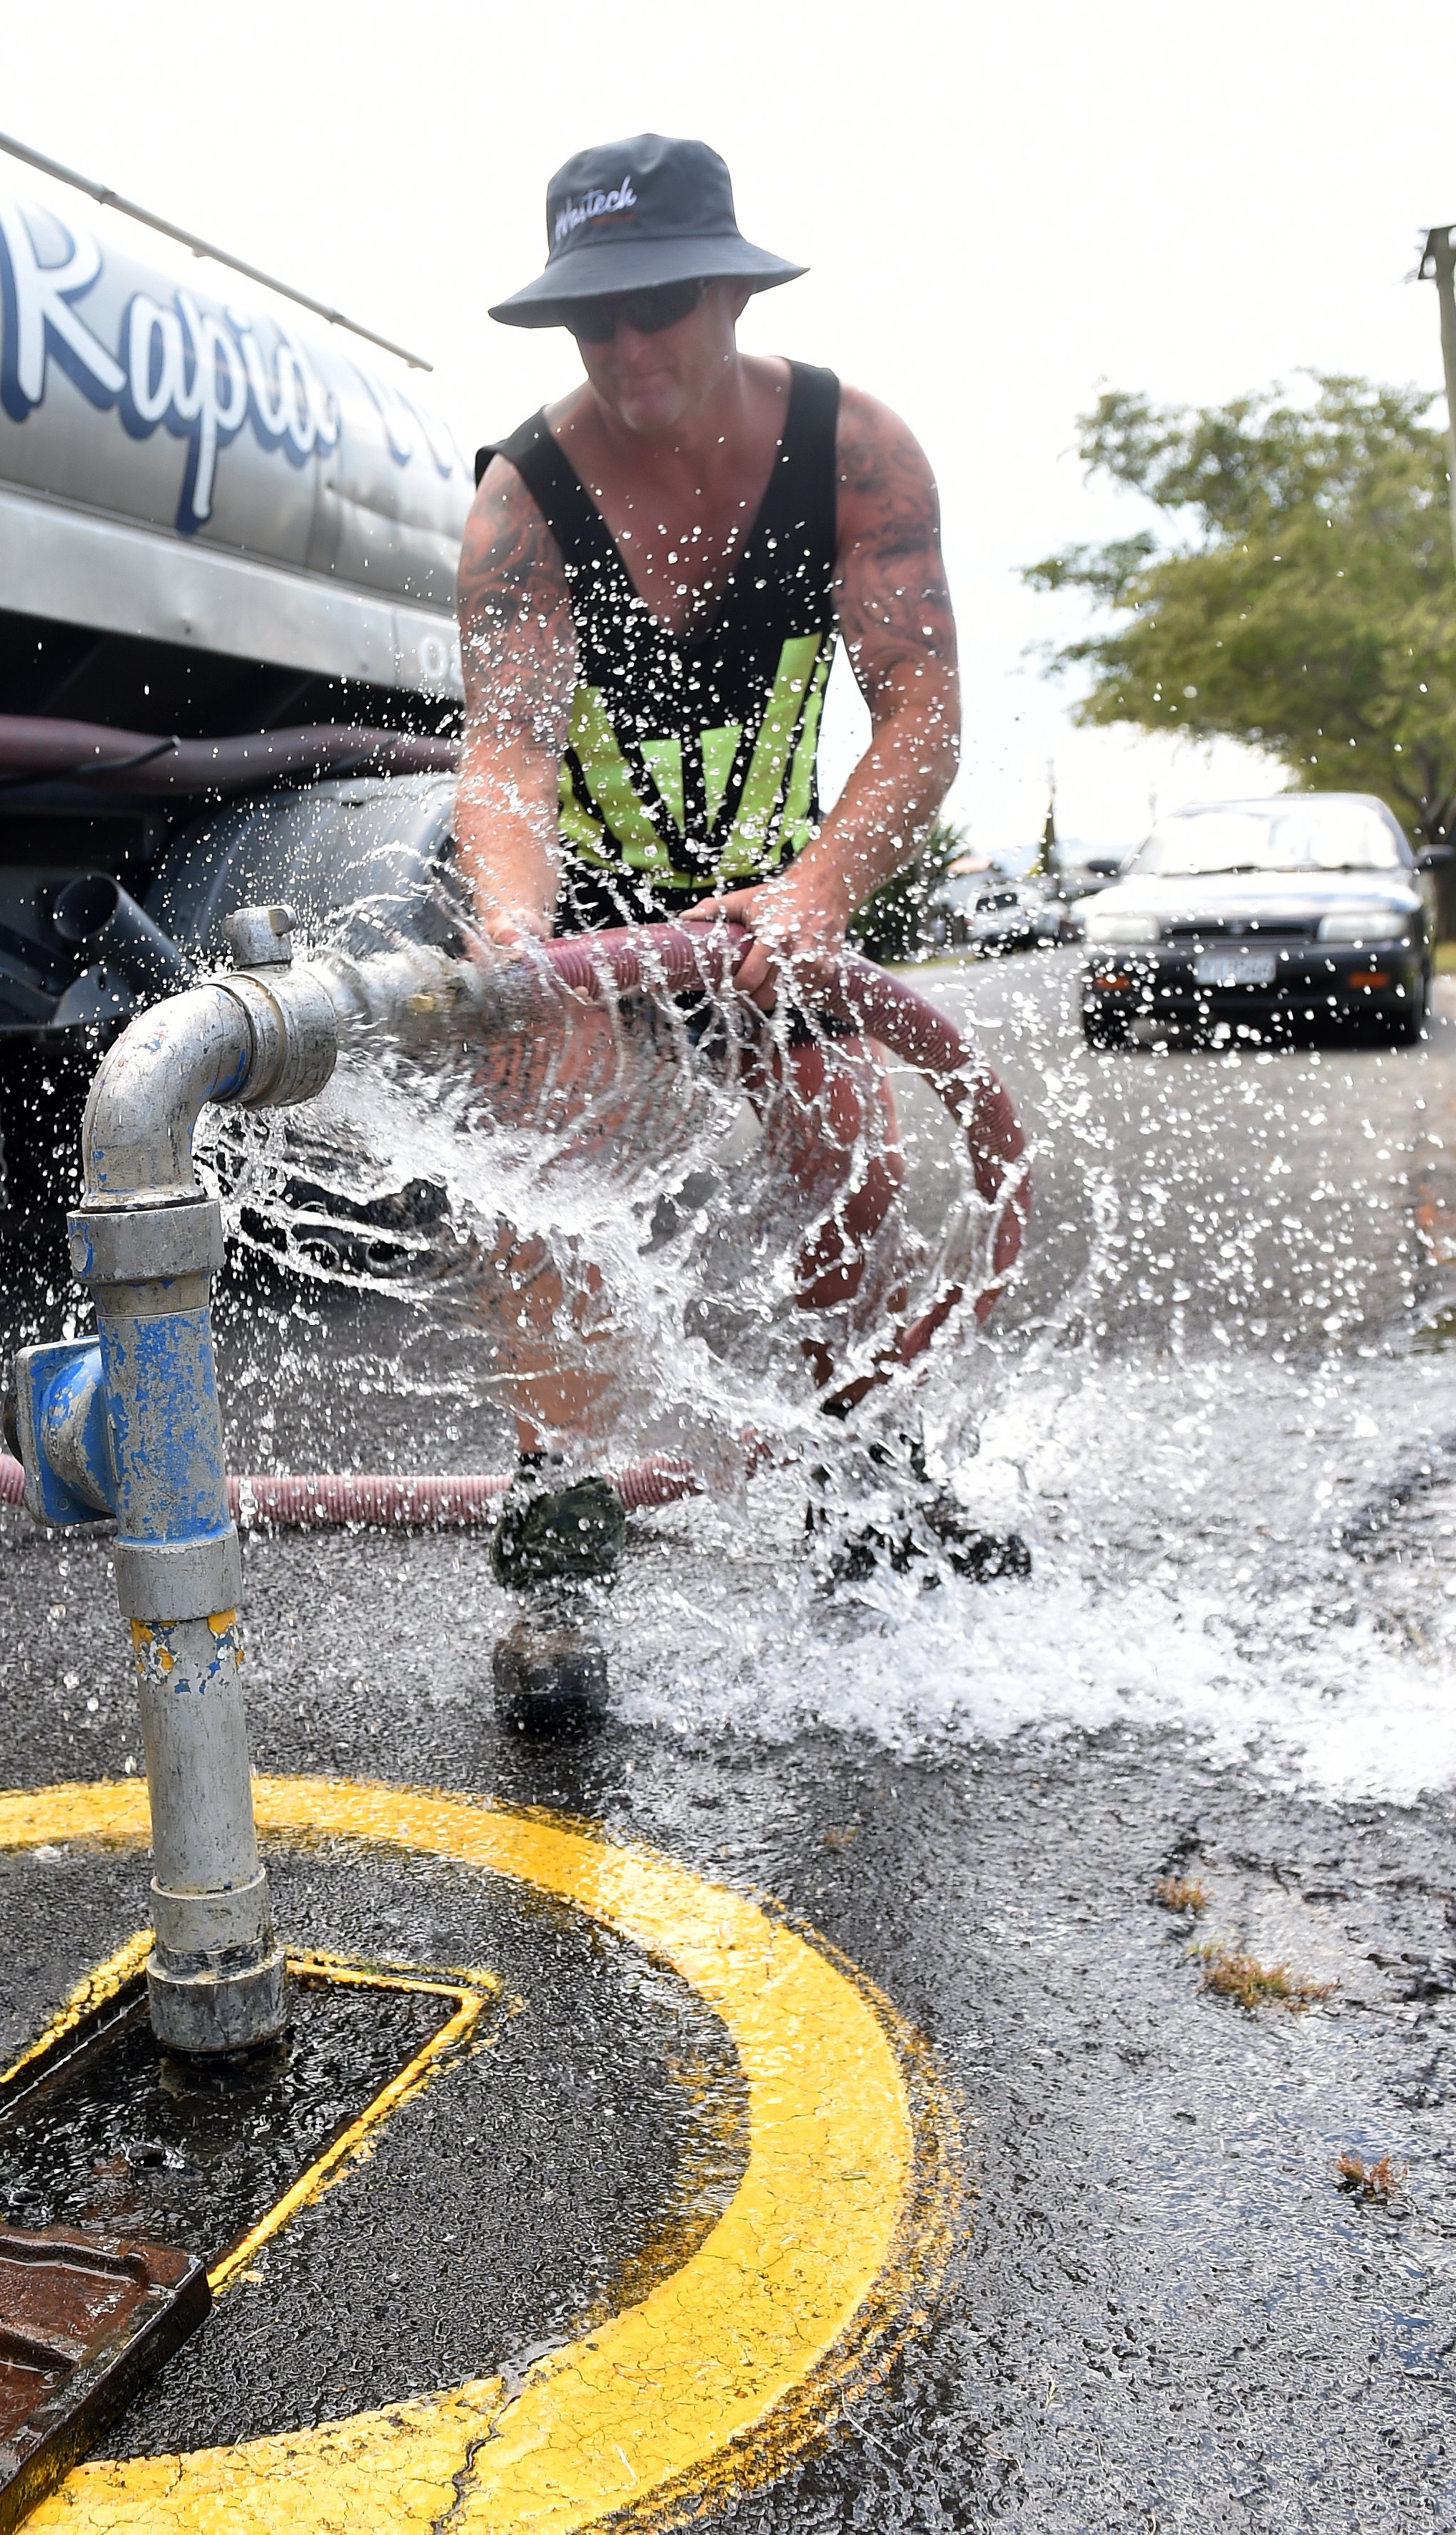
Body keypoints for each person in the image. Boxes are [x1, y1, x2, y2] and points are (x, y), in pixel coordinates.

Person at [455, 134, 1002, 1731]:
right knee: (544, 1151)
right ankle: (556, 1572)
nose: (627, 348)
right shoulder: (523, 499)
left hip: (771, 903)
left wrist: (819, 893)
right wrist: (512, 934)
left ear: (732, 292)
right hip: (592, 927)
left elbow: (923, 710)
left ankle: (869, 1491)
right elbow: (507, 757)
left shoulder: (852, 450)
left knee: (850, 1144)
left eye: (659, 308)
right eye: (594, 319)